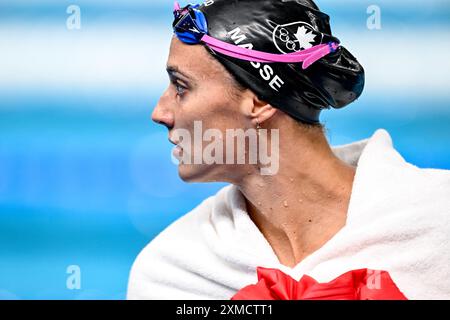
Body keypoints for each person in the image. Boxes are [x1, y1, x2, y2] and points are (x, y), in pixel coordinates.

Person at [127, 0, 450, 300]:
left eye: (182, 87)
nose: (160, 113)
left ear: (260, 100)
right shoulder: (172, 273)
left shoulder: (437, 220)